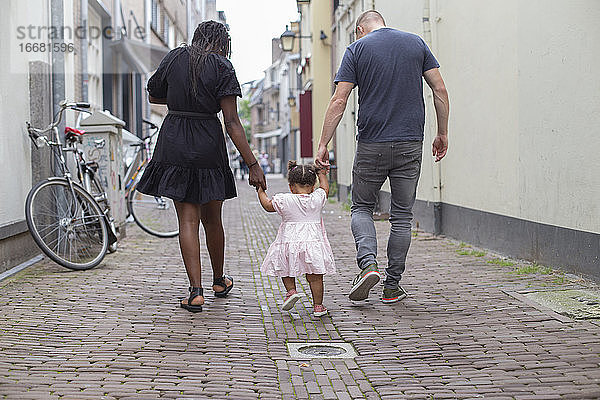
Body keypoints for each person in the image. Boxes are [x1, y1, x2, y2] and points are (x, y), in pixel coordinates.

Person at [315, 10, 449, 303]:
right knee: (402, 216)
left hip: (371, 144)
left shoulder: (357, 48)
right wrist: (442, 132)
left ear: (361, 29)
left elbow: (340, 100)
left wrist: (323, 143)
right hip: (410, 142)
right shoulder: (416, 43)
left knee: (362, 207)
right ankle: (392, 285)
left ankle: (367, 266)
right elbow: (439, 89)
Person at [136, 21, 266, 313]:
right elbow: (232, 122)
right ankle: (219, 280)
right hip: (208, 141)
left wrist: (181, 97)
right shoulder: (222, 66)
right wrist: (252, 164)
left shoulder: (174, 57)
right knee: (212, 219)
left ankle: (195, 292)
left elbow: (154, 93)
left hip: (175, 139)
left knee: (187, 220)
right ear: (222, 43)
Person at [257, 161, 336, 317]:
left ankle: (291, 291)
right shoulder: (317, 198)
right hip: (312, 242)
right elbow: (325, 188)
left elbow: (267, 205)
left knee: (286, 268)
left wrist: (260, 190)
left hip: (289, 242)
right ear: (313, 186)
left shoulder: (284, 199)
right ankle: (318, 306)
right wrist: (321, 173)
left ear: (291, 186)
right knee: (315, 276)